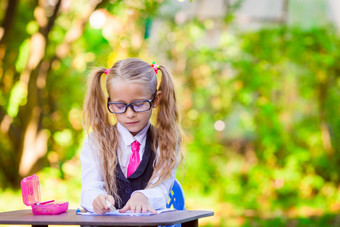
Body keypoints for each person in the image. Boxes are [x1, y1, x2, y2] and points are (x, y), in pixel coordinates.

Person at [80, 58, 182, 214]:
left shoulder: (166, 141)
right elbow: (90, 187)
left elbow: (162, 188)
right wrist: (96, 198)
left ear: (155, 99)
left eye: (139, 104)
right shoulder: (96, 141)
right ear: (110, 102)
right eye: (120, 106)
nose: (130, 114)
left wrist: (144, 196)